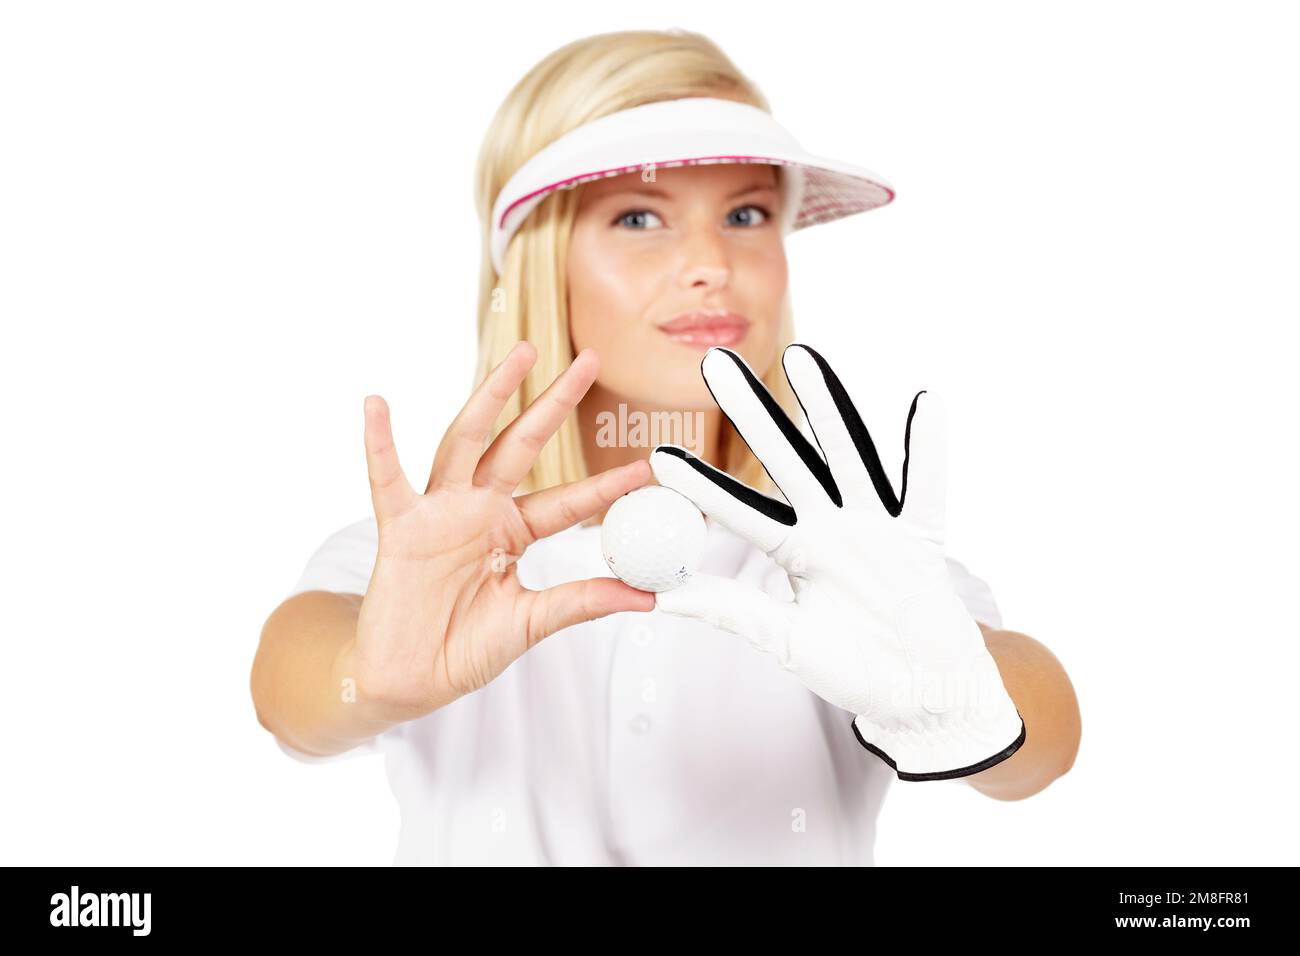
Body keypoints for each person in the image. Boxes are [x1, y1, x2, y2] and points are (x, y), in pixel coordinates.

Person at [249, 28, 1081, 866]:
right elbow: (292, 694)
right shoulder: (422, 565)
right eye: (639, 216)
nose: (711, 264)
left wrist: (956, 695)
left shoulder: (849, 559)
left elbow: (1044, 749)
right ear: (542, 263)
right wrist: (374, 673)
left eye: (746, 213)